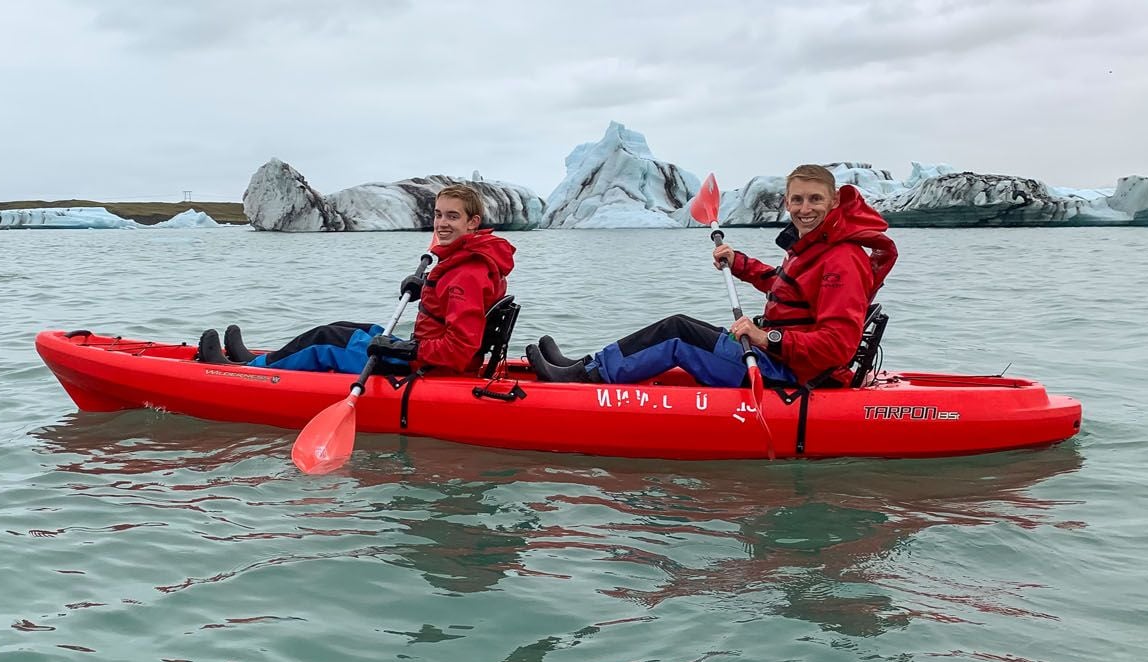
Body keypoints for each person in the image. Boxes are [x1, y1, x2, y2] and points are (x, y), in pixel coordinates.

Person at [526, 164, 898, 388]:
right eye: (797, 199)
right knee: (681, 326)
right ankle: (586, 366)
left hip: (790, 372)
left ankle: (581, 379)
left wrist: (765, 336)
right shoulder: (816, 247)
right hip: (781, 357)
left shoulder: (841, 259)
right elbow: (788, 289)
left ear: (833, 202)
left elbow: (838, 346)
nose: (805, 208)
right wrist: (739, 263)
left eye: (815, 199)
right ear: (786, 202)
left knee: (676, 333)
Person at [197, 184, 516, 376]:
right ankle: (256, 360)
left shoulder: (466, 275)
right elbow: (454, 306)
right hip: (421, 353)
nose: (441, 223)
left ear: (473, 223)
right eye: (438, 214)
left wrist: (407, 350)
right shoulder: (471, 260)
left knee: (324, 340)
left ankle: (248, 373)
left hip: (422, 364)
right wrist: (427, 288)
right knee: (344, 329)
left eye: (452, 216)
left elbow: (459, 348)